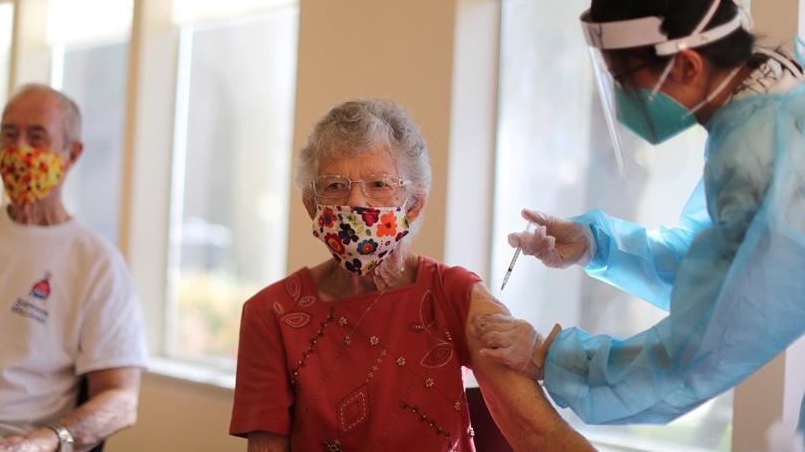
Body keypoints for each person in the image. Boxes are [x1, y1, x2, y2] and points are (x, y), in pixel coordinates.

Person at [475, 0, 805, 434]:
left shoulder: (758, 151)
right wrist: (598, 246)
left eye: (627, 82)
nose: (623, 96)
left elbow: (703, 347)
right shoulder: (773, 96)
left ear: (688, 64)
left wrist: (550, 356)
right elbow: (725, 261)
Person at [229, 99, 594, 451]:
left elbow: (539, 434)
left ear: (414, 206)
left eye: (379, 185)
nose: (356, 203)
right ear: (312, 206)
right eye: (335, 186)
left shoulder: (455, 294)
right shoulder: (273, 313)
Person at [0, 84, 149, 451]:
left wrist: (45, 442)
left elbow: (122, 400)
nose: (20, 150)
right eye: (9, 135)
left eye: (37, 136)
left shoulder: (96, 263)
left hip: (1, 441)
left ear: (72, 154)